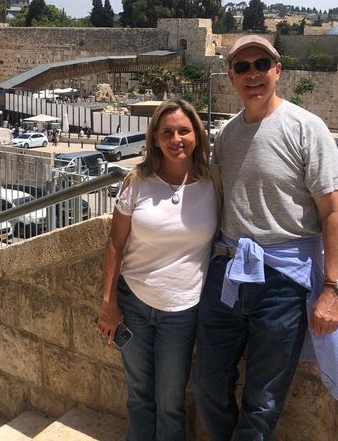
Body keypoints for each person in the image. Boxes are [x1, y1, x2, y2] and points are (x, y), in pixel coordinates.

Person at [194, 35, 338, 438]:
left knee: (263, 403)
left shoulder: (306, 128)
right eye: (242, 67)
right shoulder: (227, 136)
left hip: (283, 282)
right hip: (228, 274)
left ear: (277, 70)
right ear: (231, 76)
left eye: (261, 64)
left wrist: (333, 290)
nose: (253, 74)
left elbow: (334, 214)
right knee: (207, 387)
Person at [97, 99, 219, 441]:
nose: (176, 138)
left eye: (184, 130)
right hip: (134, 304)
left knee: (170, 402)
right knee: (139, 397)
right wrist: (109, 303)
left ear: (197, 134)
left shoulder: (213, 185)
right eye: (167, 132)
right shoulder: (137, 181)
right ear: (154, 139)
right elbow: (114, 245)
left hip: (183, 310)